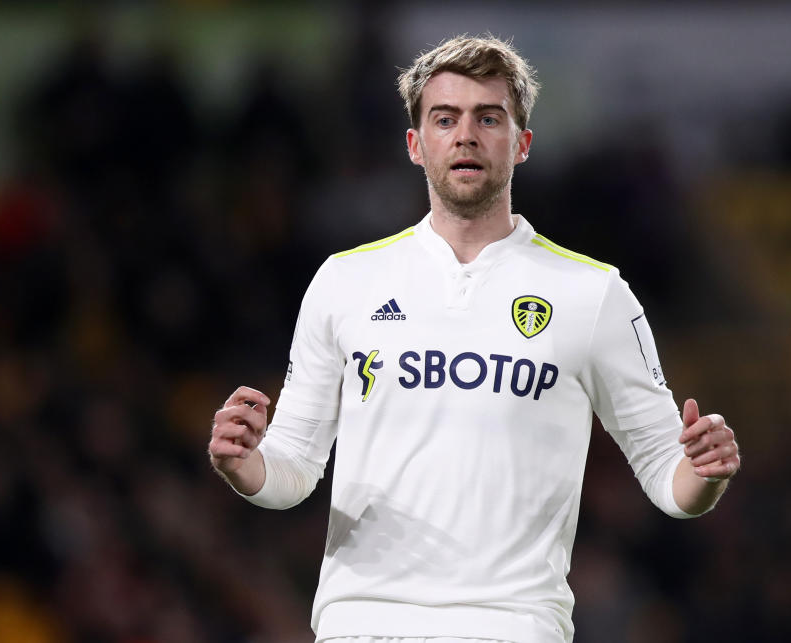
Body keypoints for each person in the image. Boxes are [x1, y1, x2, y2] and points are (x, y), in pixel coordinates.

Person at [208, 35, 740, 643]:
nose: (466, 135)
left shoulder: (593, 294)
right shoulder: (345, 281)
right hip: (363, 623)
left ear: (522, 144)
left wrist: (705, 474)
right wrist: (247, 467)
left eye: (489, 118)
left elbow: (666, 474)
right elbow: (294, 467)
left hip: (512, 626)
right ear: (416, 144)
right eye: (445, 118)